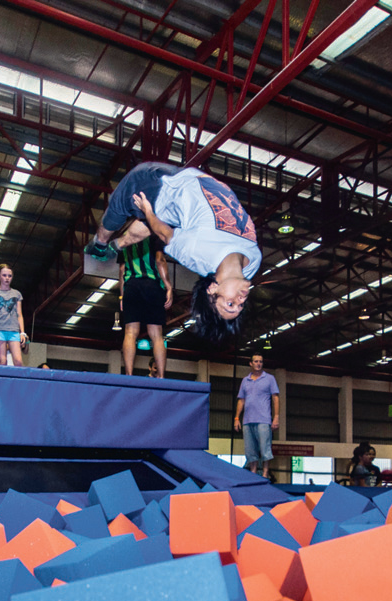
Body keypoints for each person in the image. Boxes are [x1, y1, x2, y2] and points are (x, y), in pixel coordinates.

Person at [84, 162, 261, 345]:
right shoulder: (253, 264)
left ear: (212, 289)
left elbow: (163, 233)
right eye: (240, 306)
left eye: (231, 304)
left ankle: (100, 243)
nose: (241, 299)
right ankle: (122, 242)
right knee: (160, 222)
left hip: (156, 185)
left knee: (119, 205)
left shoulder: (197, 252)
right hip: (190, 186)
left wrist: (148, 211)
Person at [118, 234, 173, 377]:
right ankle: (161, 376)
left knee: (130, 332)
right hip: (152, 285)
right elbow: (160, 261)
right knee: (156, 335)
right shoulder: (155, 236)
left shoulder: (124, 239)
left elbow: (122, 269)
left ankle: (128, 374)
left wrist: (122, 295)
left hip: (131, 285)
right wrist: (168, 286)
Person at [234, 354, 279, 479]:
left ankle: (265, 474)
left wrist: (276, 417)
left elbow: (275, 398)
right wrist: (237, 418)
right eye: (256, 361)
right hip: (247, 420)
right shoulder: (245, 380)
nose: (258, 363)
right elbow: (241, 400)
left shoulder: (269, 379)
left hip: (263, 420)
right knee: (250, 449)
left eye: (260, 361)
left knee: (265, 448)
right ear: (251, 364)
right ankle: (253, 473)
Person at [0, 263, 27, 366]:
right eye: (4, 275)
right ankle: (2, 382)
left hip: (13, 330)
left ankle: (18, 381)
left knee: (18, 361)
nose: (7, 278)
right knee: (2, 361)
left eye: (9, 276)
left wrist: (22, 333)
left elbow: (19, 314)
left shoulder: (16, 294)